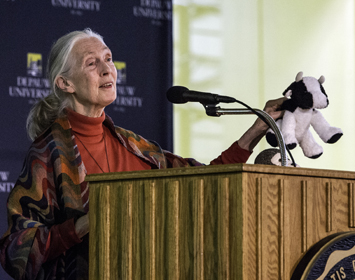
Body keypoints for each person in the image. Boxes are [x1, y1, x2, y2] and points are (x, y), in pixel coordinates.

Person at [0, 28, 285, 280]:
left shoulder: (134, 146)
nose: (107, 69)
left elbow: (205, 180)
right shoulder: (47, 153)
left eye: (108, 58)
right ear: (66, 83)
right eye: (91, 63)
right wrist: (83, 224)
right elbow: (16, 250)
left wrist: (258, 128)